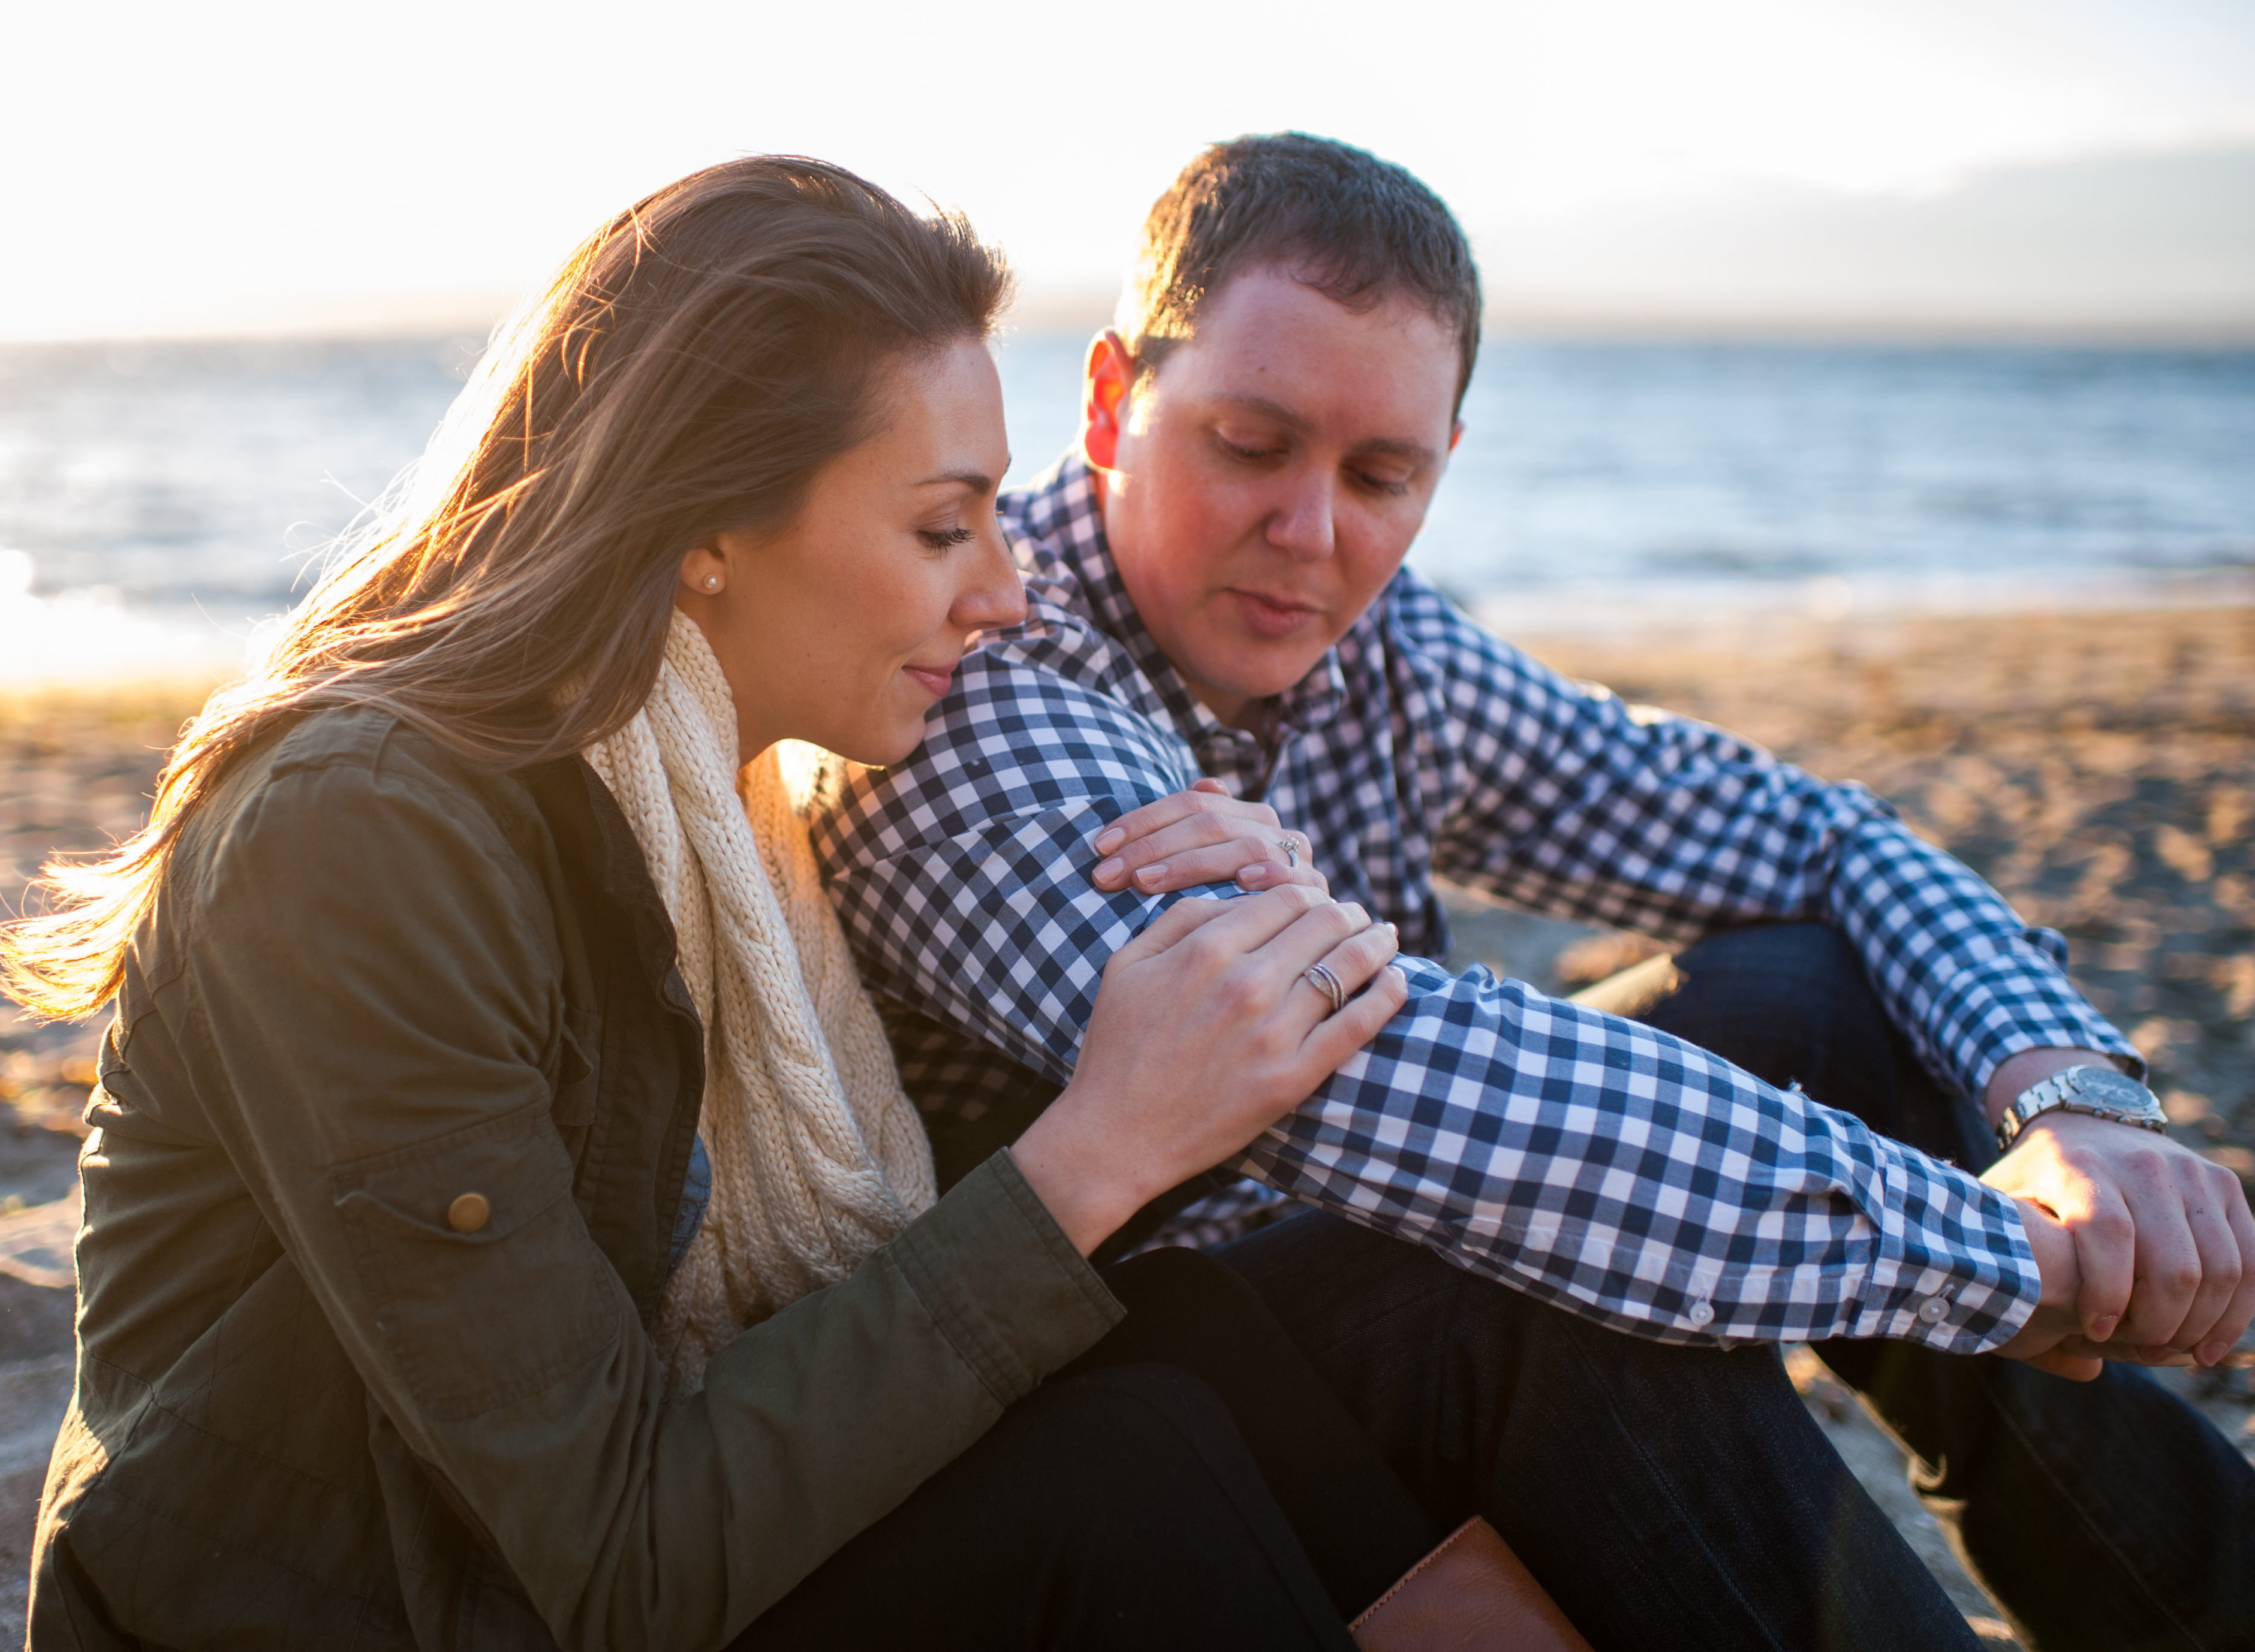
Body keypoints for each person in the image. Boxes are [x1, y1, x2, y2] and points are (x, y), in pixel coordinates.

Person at [0, 156, 2019, 1652]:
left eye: (990, 519)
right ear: (707, 522)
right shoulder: (374, 841)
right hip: (365, 1611)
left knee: (1213, 1329)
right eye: (941, 526)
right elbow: (613, 1563)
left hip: (571, 1546)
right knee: (1117, 1456)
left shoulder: (717, 801)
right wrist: (1099, 1143)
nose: (1003, 588)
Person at [811, 132, 2255, 1651]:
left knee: (1815, 992)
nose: (1312, 536)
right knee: (1546, 1288)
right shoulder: (976, 680)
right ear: (1112, 402)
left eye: (1382, 475)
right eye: (1249, 445)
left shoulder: (1378, 647)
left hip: (1325, 1298)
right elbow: (1429, 1100)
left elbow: (1816, 837)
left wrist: (2072, 1102)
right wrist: (1995, 1257)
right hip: (1103, 1410)